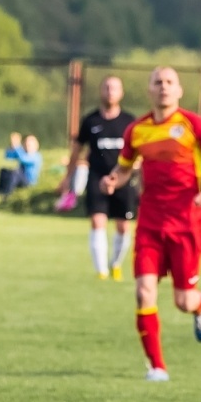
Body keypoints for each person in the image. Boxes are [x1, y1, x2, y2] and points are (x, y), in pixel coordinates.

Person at [101, 67, 201, 381]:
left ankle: (200, 305)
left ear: (179, 91)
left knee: (183, 300)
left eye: (169, 82)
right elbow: (124, 170)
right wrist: (113, 180)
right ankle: (157, 367)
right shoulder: (137, 130)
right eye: (157, 82)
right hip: (149, 223)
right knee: (144, 291)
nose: (163, 87)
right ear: (149, 90)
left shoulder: (195, 125)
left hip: (186, 225)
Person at [60, 76, 139, 280]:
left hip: (123, 179)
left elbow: (139, 152)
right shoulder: (90, 120)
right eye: (106, 87)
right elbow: (76, 151)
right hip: (96, 177)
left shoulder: (129, 121)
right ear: (100, 91)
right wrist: (67, 178)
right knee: (97, 222)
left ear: (121, 93)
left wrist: (136, 172)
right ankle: (101, 270)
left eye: (114, 88)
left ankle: (116, 264)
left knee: (123, 226)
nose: (110, 91)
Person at [0, 132, 27, 201]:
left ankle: (7, 194)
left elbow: (21, 159)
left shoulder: (20, 150)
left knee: (12, 175)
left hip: (19, 173)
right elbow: (6, 160)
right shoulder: (8, 150)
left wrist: (16, 148)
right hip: (8, 170)